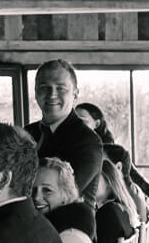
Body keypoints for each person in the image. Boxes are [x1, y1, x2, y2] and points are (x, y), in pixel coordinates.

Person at [24, 59, 105, 204]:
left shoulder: (87, 141)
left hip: (67, 224)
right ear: (36, 92)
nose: (52, 95)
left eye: (60, 88)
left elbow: (64, 195)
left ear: (75, 93)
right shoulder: (27, 133)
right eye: (44, 87)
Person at [75, 101, 149, 213]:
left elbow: (137, 179)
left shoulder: (111, 151)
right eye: (74, 120)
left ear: (96, 124)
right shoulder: (73, 148)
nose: (76, 125)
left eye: (82, 120)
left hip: (116, 208)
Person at [95, 157, 139, 243]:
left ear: (109, 183)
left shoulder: (107, 213)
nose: (89, 185)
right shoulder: (120, 207)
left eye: (95, 180)